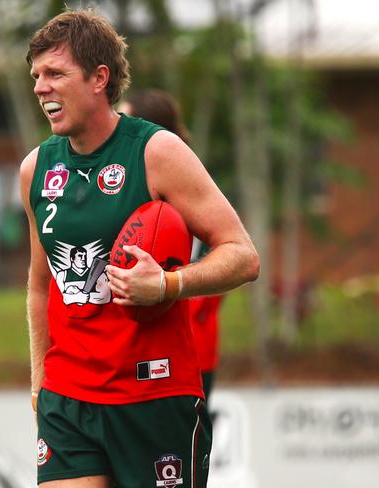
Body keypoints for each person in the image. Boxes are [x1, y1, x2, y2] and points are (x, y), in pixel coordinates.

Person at [20, 8, 259, 488]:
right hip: (68, 400)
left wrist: (168, 284)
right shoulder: (35, 168)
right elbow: (39, 286)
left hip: (154, 394)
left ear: (98, 79)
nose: (41, 87)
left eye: (55, 73)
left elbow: (242, 254)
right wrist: (39, 378)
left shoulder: (157, 152)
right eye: (36, 76)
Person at [119, 89, 224, 402]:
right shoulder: (133, 189)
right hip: (141, 348)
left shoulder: (185, 189)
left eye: (126, 120)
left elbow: (224, 268)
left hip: (186, 349)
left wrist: (163, 289)